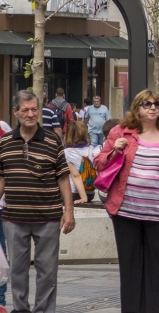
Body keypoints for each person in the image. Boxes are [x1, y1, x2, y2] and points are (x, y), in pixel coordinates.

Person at [95, 89, 159, 313]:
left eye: (156, 104)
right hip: (125, 213)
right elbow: (99, 163)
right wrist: (114, 150)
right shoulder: (121, 131)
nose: (152, 107)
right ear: (137, 108)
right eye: (146, 104)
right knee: (130, 269)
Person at [0, 89, 76, 313]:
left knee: (47, 272)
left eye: (35, 109)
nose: (31, 114)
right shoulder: (4, 142)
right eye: (25, 110)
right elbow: (1, 177)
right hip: (14, 217)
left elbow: (63, 177)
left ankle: (44, 311)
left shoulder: (52, 141)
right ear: (16, 112)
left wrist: (69, 211)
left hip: (48, 217)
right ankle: (21, 310)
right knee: (17, 271)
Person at [64, 121, 96, 205]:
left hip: (74, 193)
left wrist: (83, 197)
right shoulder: (92, 149)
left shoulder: (67, 153)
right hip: (90, 193)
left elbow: (76, 176)